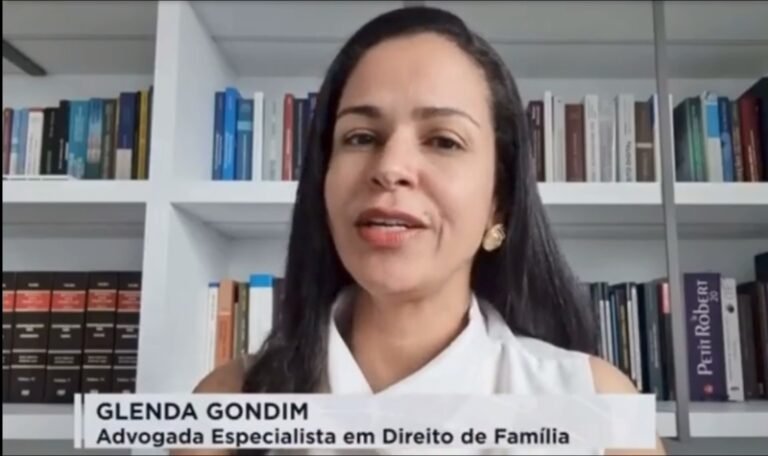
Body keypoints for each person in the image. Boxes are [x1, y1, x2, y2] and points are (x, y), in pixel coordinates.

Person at [184, 6, 664, 456]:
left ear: (498, 203)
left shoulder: (600, 409)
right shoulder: (225, 406)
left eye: (443, 141)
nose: (390, 168)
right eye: (361, 137)